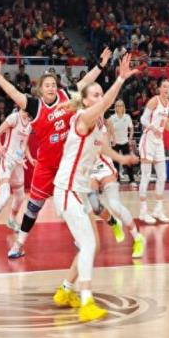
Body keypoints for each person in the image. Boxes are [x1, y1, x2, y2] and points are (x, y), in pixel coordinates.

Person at [0, 48, 122, 259]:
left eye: (54, 84)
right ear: (40, 90)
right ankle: (19, 244)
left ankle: (99, 229)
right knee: (33, 207)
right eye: (47, 85)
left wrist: (101, 65)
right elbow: (13, 93)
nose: (51, 88)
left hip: (68, 165)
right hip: (46, 166)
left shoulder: (66, 96)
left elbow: (86, 82)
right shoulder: (34, 106)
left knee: (84, 203)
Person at [52, 53, 139, 322]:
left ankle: (65, 290)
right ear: (86, 100)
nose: (100, 98)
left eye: (101, 93)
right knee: (88, 243)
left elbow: (102, 148)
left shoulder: (97, 125)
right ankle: (86, 301)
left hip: (77, 191)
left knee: (94, 244)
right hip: (67, 190)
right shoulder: (82, 118)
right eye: (95, 95)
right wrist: (120, 79)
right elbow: (106, 102)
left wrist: (122, 159)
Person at [0, 109, 35, 242]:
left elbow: (24, 144)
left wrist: (30, 158)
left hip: (18, 162)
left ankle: (11, 220)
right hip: (6, 160)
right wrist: (0, 147)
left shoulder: (29, 123)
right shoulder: (14, 118)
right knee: (5, 195)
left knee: (20, 196)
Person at [89, 143, 145, 257]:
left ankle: (138, 238)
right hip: (90, 171)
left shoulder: (97, 133)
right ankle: (114, 223)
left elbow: (103, 146)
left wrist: (123, 159)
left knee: (114, 205)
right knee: (94, 206)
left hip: (104, 168)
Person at [138, 78, 169, 224]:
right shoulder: (154, 101)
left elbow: (164, 121)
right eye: (164, 86)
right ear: (159, 88)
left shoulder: (168, 104)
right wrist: (153, 128)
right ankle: (143, 211)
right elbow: (143, 119)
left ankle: (158, 209)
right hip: (148, 139)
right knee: (146, 176)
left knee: (162, 176)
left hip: (159, 142)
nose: (167, 89)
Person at [109, 99, 136, 186]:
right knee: (115, 163)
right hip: (115, 142)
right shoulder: (112, 118)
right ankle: (116, 180)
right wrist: (112, 139)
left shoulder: (127, 117)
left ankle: (132, 180)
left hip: (125, 142)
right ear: (115, 107)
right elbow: (110, 130)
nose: (119, 107)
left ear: (123, 107)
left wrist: (130, 138)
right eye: (117, 106)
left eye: (121, 105)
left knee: (128, 162)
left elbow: (131, 128)